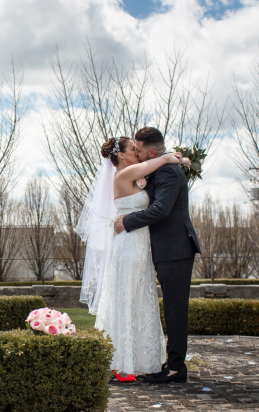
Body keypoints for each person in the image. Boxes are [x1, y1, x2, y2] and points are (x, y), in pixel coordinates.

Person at [77, 134, 185, 383]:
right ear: (123, 155)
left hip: (139, 243)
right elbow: (153, 163)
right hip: (128, 244)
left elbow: (151, 170)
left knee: (140, 299)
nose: (137, 152)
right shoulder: (123, 175)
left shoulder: (136, 175)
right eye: (132, 150)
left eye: (138, 150)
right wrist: (170, 157)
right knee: (126, 299)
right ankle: (122, 364)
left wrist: (180, 159)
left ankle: (139, 360)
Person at [114, 127, 201, 384]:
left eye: (139, 150)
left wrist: (128, 221)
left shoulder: (167, 171)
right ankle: (172, 362)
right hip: (166, 249)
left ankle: (175, 368)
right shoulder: (159, 168)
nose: (137, 155)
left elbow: (161, 209)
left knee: (175, 309)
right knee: (172, 308)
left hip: (175, 249)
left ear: (151, 151)